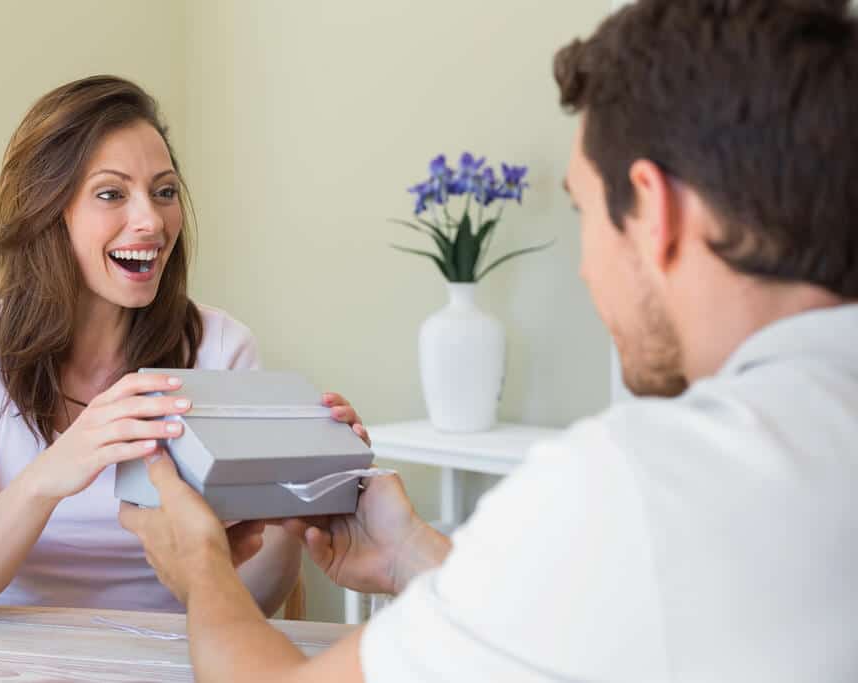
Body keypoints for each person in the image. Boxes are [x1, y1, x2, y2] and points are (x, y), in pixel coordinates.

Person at [117, 1, 858, 681]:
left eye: (584, 213)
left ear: (655, 209)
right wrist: (414, 553)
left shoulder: (634, 479)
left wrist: (202, 566)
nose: (585, 263)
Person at [0, 76, 369, 622]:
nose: (151, 221)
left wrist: (296, 510)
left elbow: (251, 603)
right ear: (49, 209)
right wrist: (54, 470)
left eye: (164, 191)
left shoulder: (220, 349)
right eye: (111, 194)